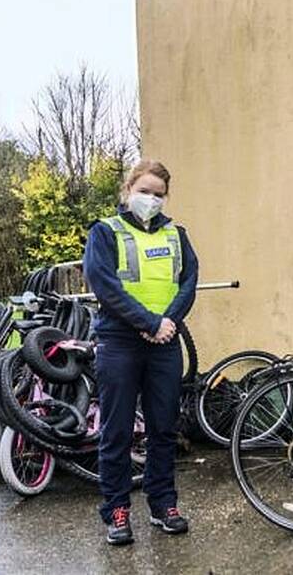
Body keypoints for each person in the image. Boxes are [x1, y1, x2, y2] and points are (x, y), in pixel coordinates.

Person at [83, 159, 199, 545]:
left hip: (165, 342)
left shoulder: (176, 235)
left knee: (163, 429)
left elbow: (188, 281)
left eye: (159, 194)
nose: (151, 199)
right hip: (120, 342)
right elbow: (104, 285)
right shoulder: (105, 232)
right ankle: (116, 510)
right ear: (127, 191)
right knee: (116, 432)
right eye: (144, 191)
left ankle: (163, 504)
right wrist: (148, 323)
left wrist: (167, 322)